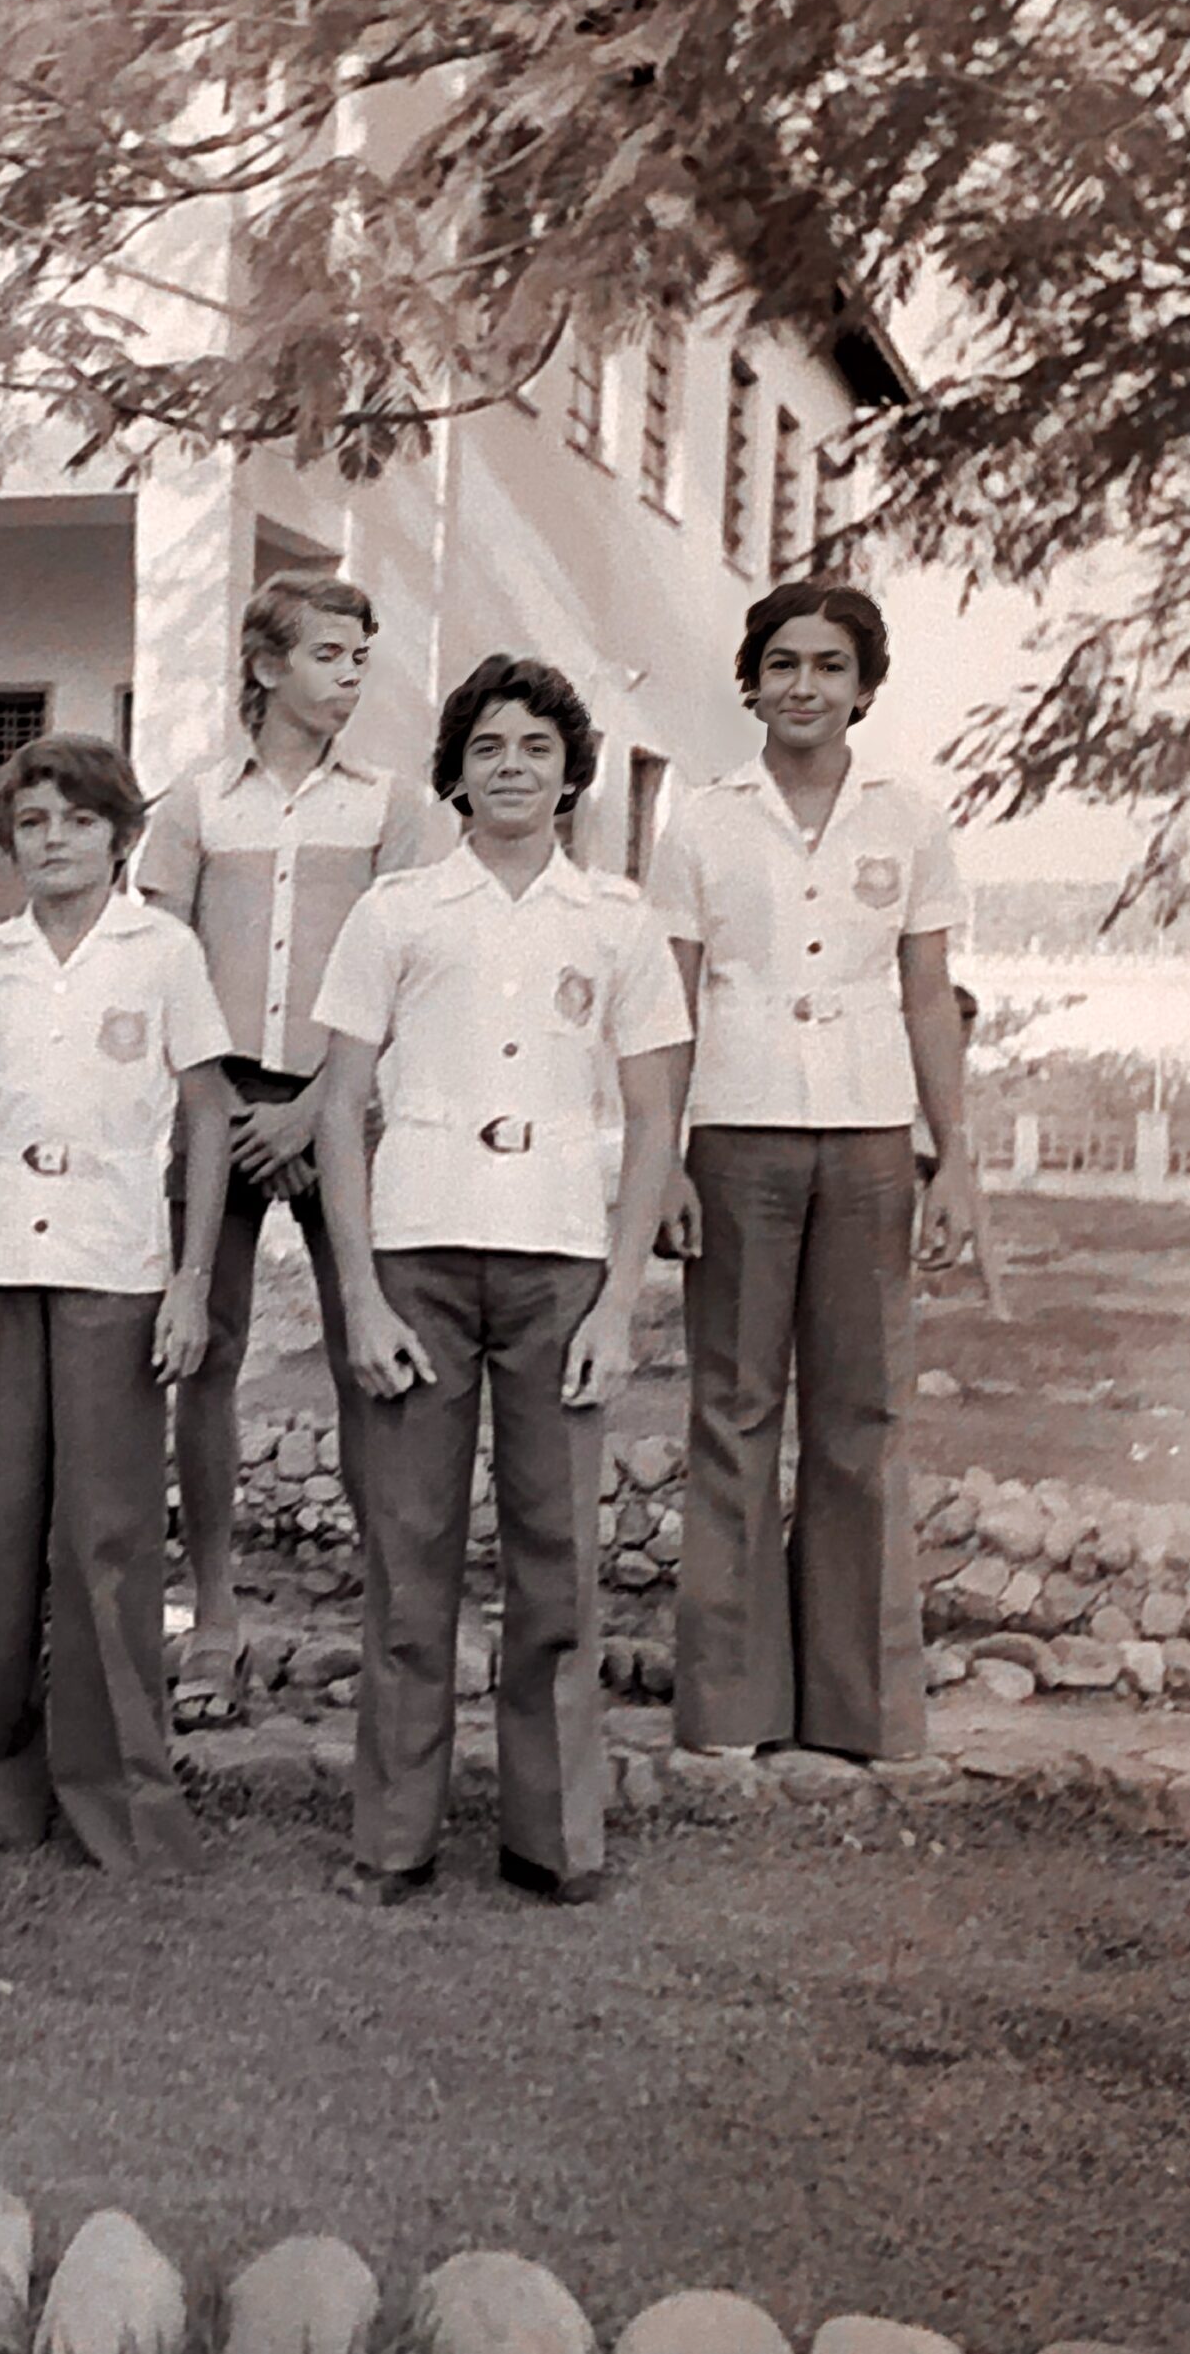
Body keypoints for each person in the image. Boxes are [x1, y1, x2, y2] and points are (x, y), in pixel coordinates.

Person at [310, 659, 690, 1905]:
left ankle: (554, 1837)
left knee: (555, 1560)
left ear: (572, 770)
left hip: (559, 1262)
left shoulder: (616, 921)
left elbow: (653, 1117)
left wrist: (619, 1301)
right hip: (419, 1253)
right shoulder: (401, 912)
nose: (512, 766)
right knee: (410, 1556)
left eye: (535, 746)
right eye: (487, 746)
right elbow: (340, 1107)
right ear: (455, 772)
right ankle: (391, 1838)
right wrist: (360, 1294)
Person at [649, 580, 978, 1765]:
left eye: (830, 665)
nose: (804, 685)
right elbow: (669, 1000)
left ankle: (860, 1706)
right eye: (782, 663)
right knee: (734, 1408)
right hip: (735, 1130)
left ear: (863, 687)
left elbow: (927, 995)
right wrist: (662, 1158)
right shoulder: (700, 819)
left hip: (871, 1134)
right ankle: (731, 1704)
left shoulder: (908, 816)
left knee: (863, 1413)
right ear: (751, 683)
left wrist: (954, 1159)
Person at [0, 733, 234, 1876]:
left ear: (121, 836)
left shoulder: (163, 952)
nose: (55, 841)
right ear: (10, 840)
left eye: (80, 821)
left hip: (116, 1266)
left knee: (108, 1538)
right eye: (34, 822)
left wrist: (190, 1280)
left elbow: (207, 1114)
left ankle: (118, 1800)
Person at [133, 570, 441, 1729]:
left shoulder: (391, 807)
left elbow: (406, 970)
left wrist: (315, 1108)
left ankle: (388, 1625)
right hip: (215, 1101)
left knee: (370, 1351)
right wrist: (225, 1107)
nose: (349, 675)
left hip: (338, 1104)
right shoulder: (194, 805)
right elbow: (163, 971)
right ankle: (213, 1617)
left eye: (360, 656)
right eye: (326, 653)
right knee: (205, 1352)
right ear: (265, 666)